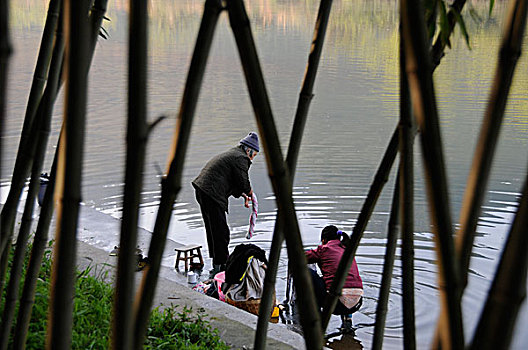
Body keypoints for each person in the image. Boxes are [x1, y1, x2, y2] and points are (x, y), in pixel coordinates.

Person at [192, 132, 259, 278]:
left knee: (213, 230)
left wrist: (243, 195)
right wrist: (251, 194)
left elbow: (232, 181)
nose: (252, 159)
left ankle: (217, 264)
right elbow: (243, 182)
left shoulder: (233, 154)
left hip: (202, 190)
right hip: (211, 194)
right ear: (249, 150)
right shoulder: (241, 158)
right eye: (253, 155)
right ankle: (221, 267)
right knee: (221, 232)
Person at [305, 225, 363, 326]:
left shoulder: (324, 249)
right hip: (357, 303)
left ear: (323, 240)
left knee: (307, 272)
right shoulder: (347, 249)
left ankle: (316, 319)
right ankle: (347, 320)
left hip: (336, 305)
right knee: (343, 280)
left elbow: (301, 258)